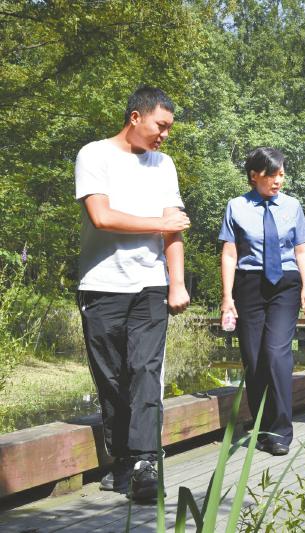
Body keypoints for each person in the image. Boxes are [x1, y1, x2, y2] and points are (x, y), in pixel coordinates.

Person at [75, 86, 191, 501]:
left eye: (169, 128)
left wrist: (177, 282)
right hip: (101, 285)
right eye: (161, 125)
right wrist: (158, 223)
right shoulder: (94, 155)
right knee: (111, 379)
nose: (165, 134)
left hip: (150, 286)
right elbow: (101, 216)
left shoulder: (164, 164)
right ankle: (122, 460)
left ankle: (145, 463)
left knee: (145, 371)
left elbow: (174, 229)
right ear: (136, 117)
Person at [219, 147, 305, 456]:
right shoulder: (236, 206)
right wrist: (227, 297)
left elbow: (301, 249)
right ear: (254, 176)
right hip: (249, 284)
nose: (278, 181)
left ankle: (281, 430)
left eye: (281, 174)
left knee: (275, 353)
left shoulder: (292, 206)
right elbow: (230, 253)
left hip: (286, 283)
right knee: (254, 357)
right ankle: (261, 427)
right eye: (272, 175)